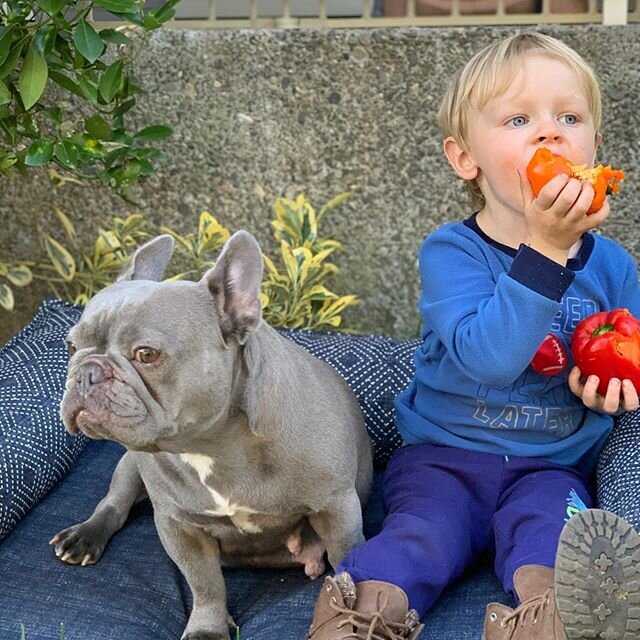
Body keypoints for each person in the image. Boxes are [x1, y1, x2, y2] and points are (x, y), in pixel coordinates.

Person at [307, 32, 640, 640]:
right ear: (466, 159)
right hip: (443, 461)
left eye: (570, 116)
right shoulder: (452, 253)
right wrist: (547, 249)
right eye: (519, 119)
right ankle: (359, 620)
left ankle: (556, 622)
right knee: (418, 537)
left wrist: (609, 389)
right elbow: (489, 359)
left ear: (594, 144)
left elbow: (631, 357)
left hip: (552, 467)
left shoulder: (613, 266)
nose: (550, 132)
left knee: (559, 543)